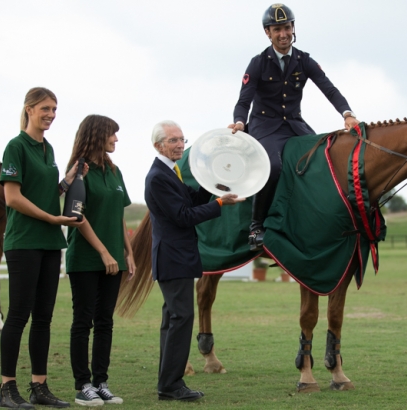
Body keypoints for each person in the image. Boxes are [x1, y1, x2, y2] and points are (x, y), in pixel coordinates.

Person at [228, 3, 360, 251]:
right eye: (277, 29)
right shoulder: (257, 63)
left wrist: (347, 114)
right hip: (264, 127)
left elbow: (329, 88)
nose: (283, 34)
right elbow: (243, 101)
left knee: (323, 160)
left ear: (293, 28)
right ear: (268, 32)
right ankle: (257, 226)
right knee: (274, 166)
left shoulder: (304, 60)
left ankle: (313, 220)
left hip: (295, 126)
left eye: (287, 27)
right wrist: (238, 121)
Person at [0, 87, 84, 409]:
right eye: (45, 108)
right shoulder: (15, 146)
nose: (50, 114)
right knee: (18, 315)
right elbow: (13, 198)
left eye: (54, 109)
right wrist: (52, 218)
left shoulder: (47, 149)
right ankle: (7, 389)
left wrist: (67, 180)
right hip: (24, 241)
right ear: (29, 109)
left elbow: (47, 191)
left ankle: (39, 386)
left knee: (44, 318)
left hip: (49, 242)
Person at [145, 120, 243, 401]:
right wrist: (220, 205)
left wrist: (215, 182)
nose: (180, 145)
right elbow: (184, 216)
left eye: (182, 140)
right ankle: (172, 384)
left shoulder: (172, 174)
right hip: (172, 259)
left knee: (172, 319)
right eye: (173, 141)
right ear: (158, 145)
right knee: (181, 318)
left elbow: (193, 198)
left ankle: (168, 383)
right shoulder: (158, 178)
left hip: (179, 258)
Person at [65, 115, 135, 406]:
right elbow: (78, 217)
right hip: (85, 258)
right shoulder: (78, 171)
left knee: (105, 321)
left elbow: (119, 215)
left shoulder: (115, 171)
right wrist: (104, 252)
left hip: (114, 259)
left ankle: (100, 382)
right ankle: (83, 385)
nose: (116, 139)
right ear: (96, 135)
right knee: (83, 321)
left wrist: (127, 253)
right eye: (112, 134)